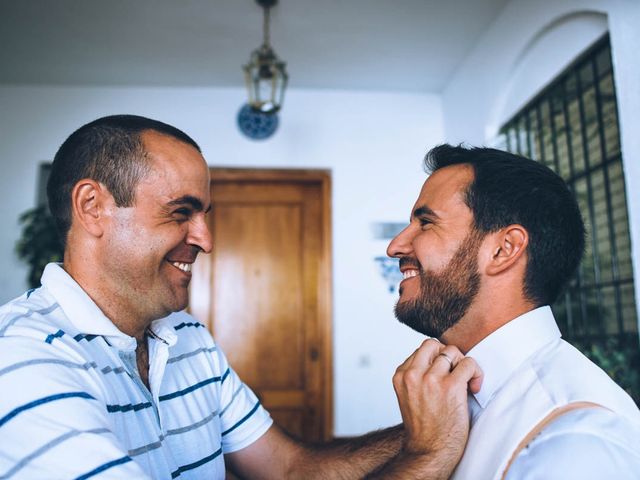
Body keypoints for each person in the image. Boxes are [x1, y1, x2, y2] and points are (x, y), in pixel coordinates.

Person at [0, 115, 482, 479]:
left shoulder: (188, 338)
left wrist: (430, 428)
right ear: (93, 207)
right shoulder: (21, 361)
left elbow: (292, 468)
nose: (206, 238)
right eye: (180, 212)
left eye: (205, 213)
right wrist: (428, 457)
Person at [387, 144, 640, 479]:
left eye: (426, 222)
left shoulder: (575, 440)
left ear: (503, 250)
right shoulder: (447, 402)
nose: (395, 247)